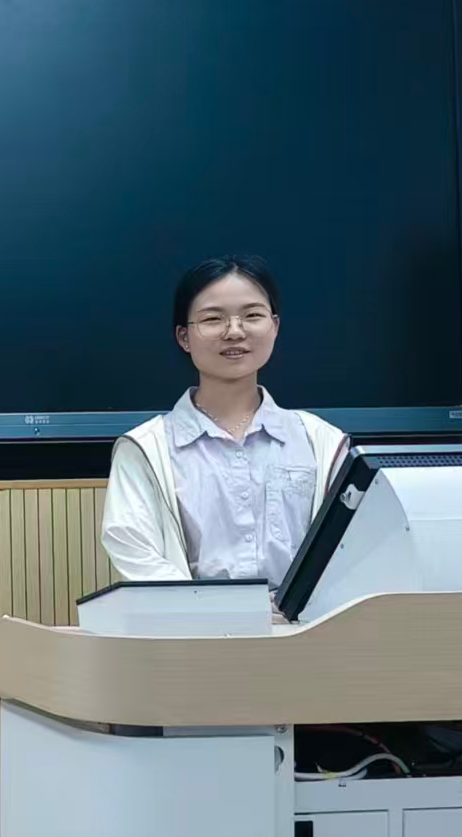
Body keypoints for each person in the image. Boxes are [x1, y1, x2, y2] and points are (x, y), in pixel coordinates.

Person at [100, 256, 349, 610]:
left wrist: (293, 609)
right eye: (213, 319)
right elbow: (134, 548)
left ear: (275, 326)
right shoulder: (145, 448)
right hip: (192, 629)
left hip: (305, 630)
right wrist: (219, 613)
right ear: (184, 337)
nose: (234, 331)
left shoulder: (322, 442)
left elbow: (351, 546)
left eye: (252, 315)